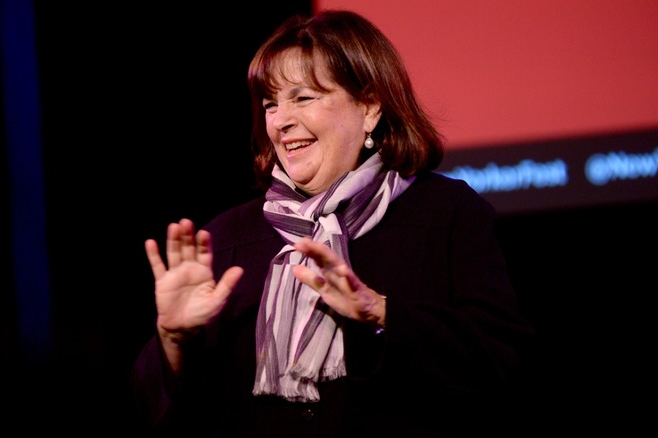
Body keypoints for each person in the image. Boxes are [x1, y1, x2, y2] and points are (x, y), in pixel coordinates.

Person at [130, 9, 535, 437]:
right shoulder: (225, 240)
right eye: (271, 104)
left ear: (370, 106)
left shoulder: (445, 213)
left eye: (303, 98)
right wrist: (172, 341)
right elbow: (155, 416)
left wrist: (379, 315)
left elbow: (504, 364)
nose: (280, 121)